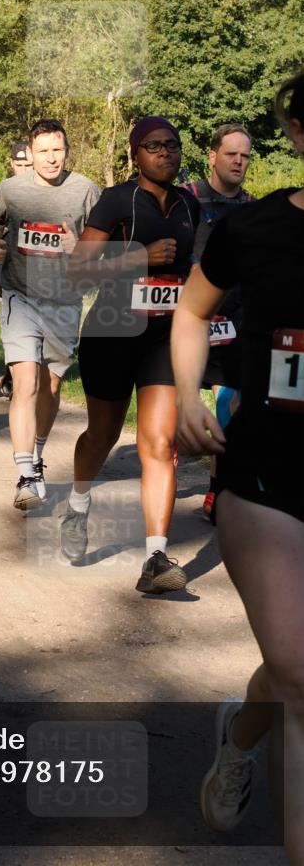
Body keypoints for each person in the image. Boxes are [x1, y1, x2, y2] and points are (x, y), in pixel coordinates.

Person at [172, 72, 304, 858]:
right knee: (299, 670)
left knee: (295, 679)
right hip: (268, 474)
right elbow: (191, 312)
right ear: (296, 132)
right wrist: (189, 395)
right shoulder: (252, 229)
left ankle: (239, 730)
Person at [63, 116, 199, 592]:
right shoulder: (117, 200)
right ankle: (78, 503)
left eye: (173, 145)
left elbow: (192, 272)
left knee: (159, 445)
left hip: (163, 337)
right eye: (154, 146)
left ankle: (156, 558)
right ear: (135, 155)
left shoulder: (188, 205)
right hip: (112, 332)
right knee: (100, 438)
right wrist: (140, 257)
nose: (165, 153)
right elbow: (78, 273)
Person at [0, 119, 100, 510]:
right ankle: (25, 475)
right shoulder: (11, 189)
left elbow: (106, 244)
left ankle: (36, 452)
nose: (51, 158)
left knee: (50, 388)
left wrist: (78, 246)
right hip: (21, 297)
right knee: (25, 383)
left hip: (65, 302)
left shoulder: (86, 190)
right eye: (43, 151)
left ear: (67, 152)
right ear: (30, 154)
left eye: (58, 150)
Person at [185, 124, 255, 518]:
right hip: (189, 324)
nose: (238, 162)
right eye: (231, 154)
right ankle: (160, 483)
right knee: (178, 415)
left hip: (236, 325)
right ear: (212, 156)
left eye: (245, 156)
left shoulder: (254, 207)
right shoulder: (186, 200)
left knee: (228, 414)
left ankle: (218, 493)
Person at [0, 140, 34, 399]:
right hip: (8, 269)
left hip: (42, 271)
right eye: (20, 165)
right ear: (11, 164)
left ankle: (21, 372)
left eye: (29, 164)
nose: (25, 170)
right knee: (14, 323)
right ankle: (14, 373)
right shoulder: (3, 190)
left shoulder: (48, 189)